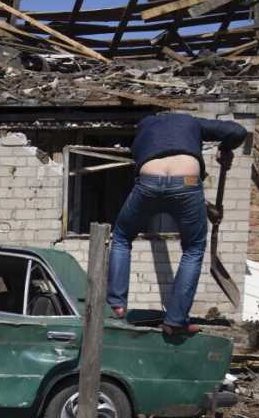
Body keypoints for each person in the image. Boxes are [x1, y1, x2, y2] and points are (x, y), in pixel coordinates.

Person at [106, 112, 247, 335]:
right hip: (188, 182)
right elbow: (238, 131)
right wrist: (226, 147)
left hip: (148, 183)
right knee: (193, 249)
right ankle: (175, 321)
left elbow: (164, 184)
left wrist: (207, 206)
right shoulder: (191, 122)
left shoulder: (144, 127)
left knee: (122, 238)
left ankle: (116, 306)